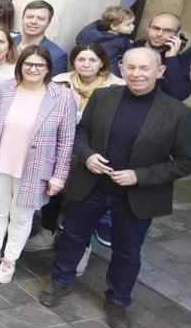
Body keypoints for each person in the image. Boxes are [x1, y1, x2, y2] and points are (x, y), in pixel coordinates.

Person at [39, 48, 191, 328]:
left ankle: (118, 301)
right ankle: (60, 283)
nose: (137, 74)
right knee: (73, 236)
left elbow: (186, 162)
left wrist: (139, 176)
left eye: (145, 68)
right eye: (131, 68)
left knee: (127, 252)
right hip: (92, 185)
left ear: (159, 72)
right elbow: (81, 133)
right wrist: (87, 155)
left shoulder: (179, 114)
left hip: (136, 195)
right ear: (121, 69)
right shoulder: (103, 97)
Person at [0, 46, 76, 284]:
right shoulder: (5, 89)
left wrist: (59, 176)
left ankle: (10, 259)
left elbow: (67, 140)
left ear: (48, 68)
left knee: (21, 216)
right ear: (20, 65)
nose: (33, 69)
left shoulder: (61, 96)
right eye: (28, 64)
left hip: (35, 168)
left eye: (40, 65)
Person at [30, 42, 125, 252]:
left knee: (83, 200)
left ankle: (80, 248)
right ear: (74, 61)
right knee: (53, 191)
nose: (86, 64)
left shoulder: (117, 87)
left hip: (92, 150)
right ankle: (47, 232)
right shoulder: (59, 81)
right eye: (81, 59)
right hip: (58, 146)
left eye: (92, 60)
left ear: (102, 63)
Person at [133, 12, 191, 100]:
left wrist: (171, 59)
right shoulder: (127, 49)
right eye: (156, 28)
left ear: (176, 35)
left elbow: (179, 95)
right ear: (148, 28)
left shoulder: (179, 62)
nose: (159, 34)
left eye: (168, 31)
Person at [75, 5, 136, 77]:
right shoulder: (120, 42)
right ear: (114, 26)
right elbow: (133, 55)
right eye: (128, 24)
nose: (133, 26)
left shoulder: (91, 35)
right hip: (110, 74)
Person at [14, 0, 68, 76]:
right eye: (29, 17)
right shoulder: (7, 42)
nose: (33, 21)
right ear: (22, 19)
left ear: (48, 23)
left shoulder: (57, 55)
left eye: (41, 18)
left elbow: (54, 86)